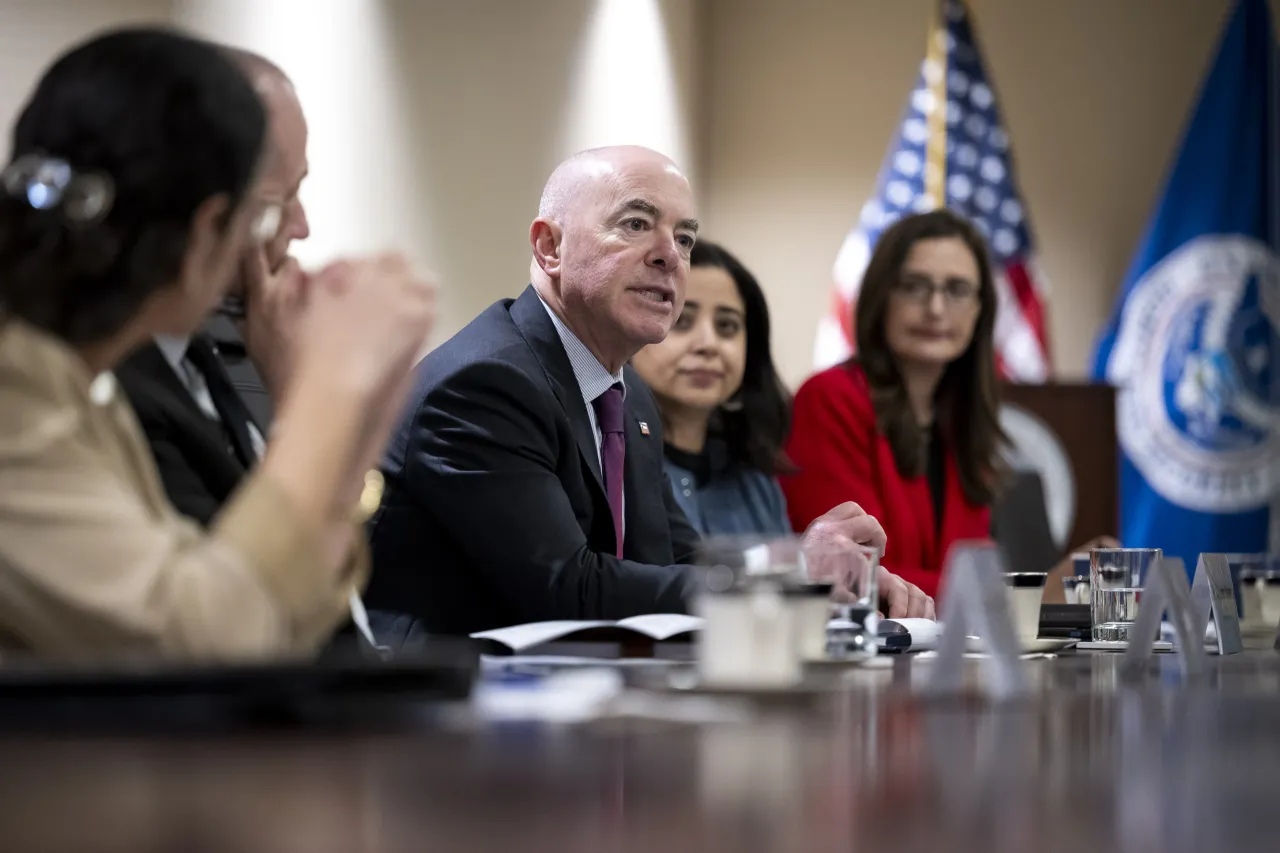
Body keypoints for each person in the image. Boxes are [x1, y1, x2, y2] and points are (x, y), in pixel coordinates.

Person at [367, 145, 933, 636]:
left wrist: (828, 578)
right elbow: (567, 589)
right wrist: (791, 575)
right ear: (549, 248)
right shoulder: (486, 385)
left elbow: (680, 555)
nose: (670, 255)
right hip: (440, 717)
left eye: (684, 239)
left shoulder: (627, 393)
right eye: (636, 224)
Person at [0, 27, 434, 660]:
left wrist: (350, 407)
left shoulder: (79, 380)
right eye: (265, 212)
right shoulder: (22, 383)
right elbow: (201, 639)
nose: (297, 230)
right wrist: (329, 389)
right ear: (207, 232)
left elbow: (293, 618)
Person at [115, 48, 309, 527]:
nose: (301, 227)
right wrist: (302, 398)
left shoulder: (231, 333)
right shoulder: (114, 390)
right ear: (207, 217)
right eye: (279, 204)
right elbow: (254, 589)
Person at [782, 210, 1001, 598]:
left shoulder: (964, 418)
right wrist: (1011, 593)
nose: (935, 308)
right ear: (882, 295)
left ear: (980, 308)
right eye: (914, 286)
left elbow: (972, 565)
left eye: (957, 289)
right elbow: (848, 570)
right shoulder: (830, 398)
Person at [630, 239, 792, 537]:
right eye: (681, 321)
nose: (708, 344)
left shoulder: (757, 484)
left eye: (727, 326)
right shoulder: (608, 465)